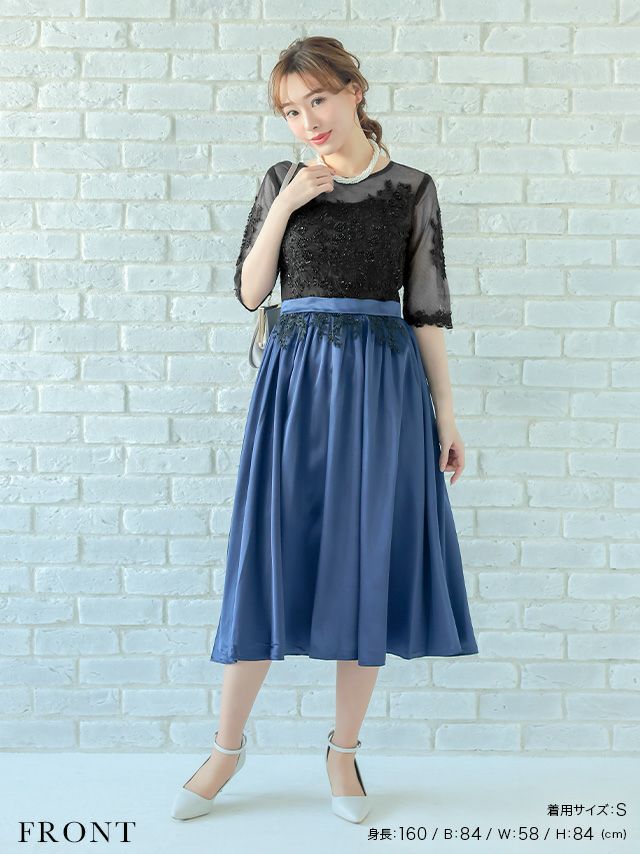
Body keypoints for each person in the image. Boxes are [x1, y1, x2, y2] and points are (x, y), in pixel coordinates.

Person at [172, 35, 478, 825]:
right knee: (268, 553)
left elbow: (426, 310)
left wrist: (445, 415)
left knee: (365, 556)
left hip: (382, 388)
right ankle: (226, 748)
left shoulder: (411, 189)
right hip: (296, 385)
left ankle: (343, 753)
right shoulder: (283, 180)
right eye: (290, 110)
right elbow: (250, 291)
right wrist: (287, 203)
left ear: (353, 92)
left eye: (317, 100)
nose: (307, 120)